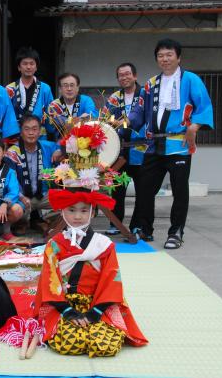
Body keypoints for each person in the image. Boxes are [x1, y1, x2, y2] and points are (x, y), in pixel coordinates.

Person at [34, 123, 148, 357]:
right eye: (72, 210)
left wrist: (95, 313)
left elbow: (111, 282)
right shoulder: (53, 245)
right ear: (63, 212)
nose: (77, 216)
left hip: (98, 304)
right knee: (72, 343)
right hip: (64, 306)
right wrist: (69, 312)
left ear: (93, 213)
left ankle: (95, 322)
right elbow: (49, 284)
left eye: (84, 211)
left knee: (103, 345)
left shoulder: (104, 246)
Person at [129, 38, 214, 249]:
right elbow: (138, 113)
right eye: (161, 55)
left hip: (179, 145)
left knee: (179, 191)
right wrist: (121, 125)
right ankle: (144, 229)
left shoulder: (190, 79)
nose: (165, 59)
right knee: (146, 190)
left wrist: (195, 127)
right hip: (153, 145)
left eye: (169, 55)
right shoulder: (150, 84)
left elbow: (203, 106)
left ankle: (176, 232)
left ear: (178, 57)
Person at [105, 62, 144, 236]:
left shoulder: (145, 94)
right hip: (119, 152)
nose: (124, 77)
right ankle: (115, 223)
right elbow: (106, 119)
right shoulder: (114, 98)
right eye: (121, 75)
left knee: (143, 190)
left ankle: (138, 225)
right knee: (117, 190)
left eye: (128, 74)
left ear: (135, 76)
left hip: (142, 150)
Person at [6, 114, 62, 234]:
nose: (31, 133)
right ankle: (21, 223)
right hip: (21, 198)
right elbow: (9, 181)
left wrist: (58, 150)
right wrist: (20, 196)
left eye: (34, 129)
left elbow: (63, 143)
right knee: (14, 211)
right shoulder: (12, 153)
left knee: (68, 200)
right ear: (21, 132)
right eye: (27, 129)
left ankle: (45, 220)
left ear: (40, 131)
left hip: (43, 195)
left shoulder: (47, 146)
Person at [5, 47, 54, 133]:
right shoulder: (10, 89)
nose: (28, 67)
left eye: (32, 64)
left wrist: (53, 133)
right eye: (25, 64)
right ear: (19, 67)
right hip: (16, 135)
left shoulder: (45, 88)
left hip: (39, 136)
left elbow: (50, 114)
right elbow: (6, 115)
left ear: (36, 67)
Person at [46, 73, 98, 139]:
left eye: (72, 85)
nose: (69, 89)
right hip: (62, 144)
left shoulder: (86, 100)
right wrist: (81, 119)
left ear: (77, 88)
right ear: (60, 89)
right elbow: (61, 124)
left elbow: (92, 116)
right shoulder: (54, 105)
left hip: (85, 142)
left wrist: (73, 122)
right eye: (65, 86)